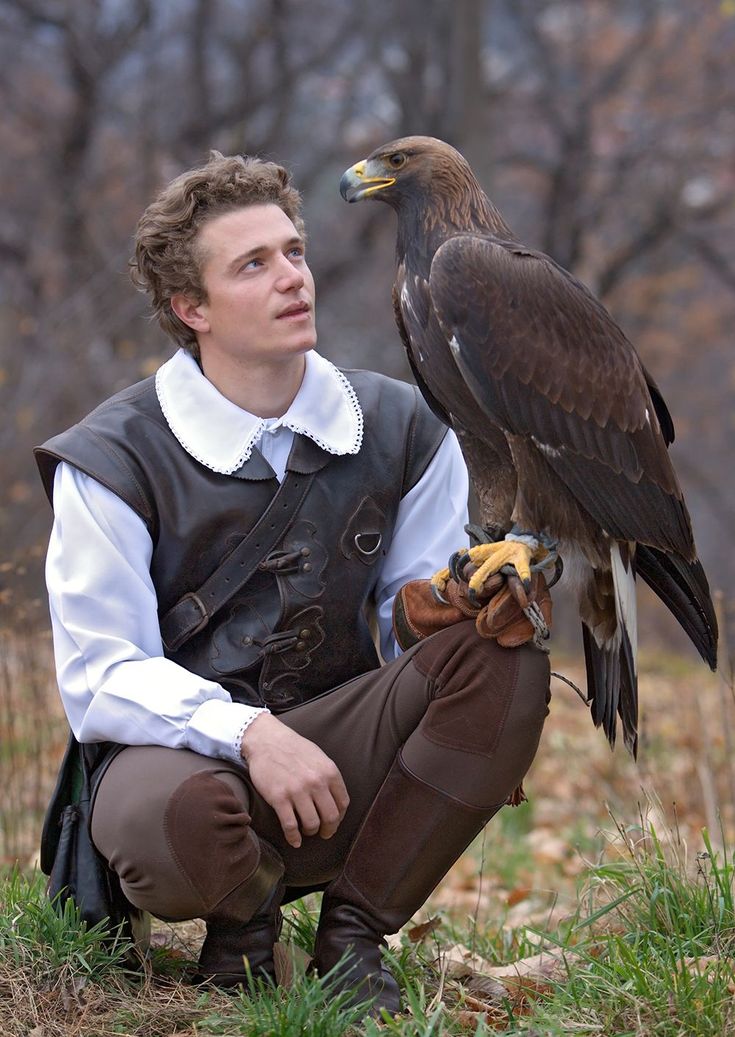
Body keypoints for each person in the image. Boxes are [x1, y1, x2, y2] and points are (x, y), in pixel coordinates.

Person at [35, 152, 551, 1015]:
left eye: (293, 252)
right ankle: (242, 927)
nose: (291, 279)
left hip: (340, 756)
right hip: (180, 768)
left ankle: (352, 938)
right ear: (190, 308)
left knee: (502, 656)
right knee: (181, 817)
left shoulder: (403, 425)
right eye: (253, 264)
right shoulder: (112, 458)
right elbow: (101, 674)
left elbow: (405, 619)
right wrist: (247, 733)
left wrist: (450, 610)